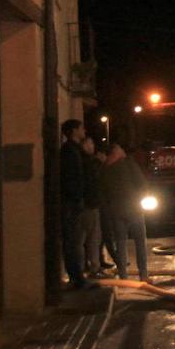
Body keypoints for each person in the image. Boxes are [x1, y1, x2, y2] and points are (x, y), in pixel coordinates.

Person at [99, 143, 152, 282]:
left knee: (120, 244)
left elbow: (103, 191)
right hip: (134, 209)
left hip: (116, 210)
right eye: (120, 149)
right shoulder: (129, 164)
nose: (123, 151)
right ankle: (143, 275)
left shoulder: (105, 169)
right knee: (140, 243)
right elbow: (142, 184)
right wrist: (139, 197)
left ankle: (123, 276)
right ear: (116, 152)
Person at [59, 119, 92, 289]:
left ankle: (78, 276)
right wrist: (77, 198)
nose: (84, 130)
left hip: (74, 201)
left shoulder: (74, 150)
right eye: (81, 128)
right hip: (72, 203)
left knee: (75, 240)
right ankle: (77, 278)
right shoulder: (69, 151)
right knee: (72, 241)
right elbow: (72, 177)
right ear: (73, 131)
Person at [79, 137, 105, 277]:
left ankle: (88, 266)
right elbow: (92, 181)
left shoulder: (84, 160)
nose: (93, 145)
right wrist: (98, 163)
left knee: (89, 238)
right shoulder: (88, 162)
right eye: (90, 143)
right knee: (92, 238)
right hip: (89, 204)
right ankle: (93, 268)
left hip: (89, 203)